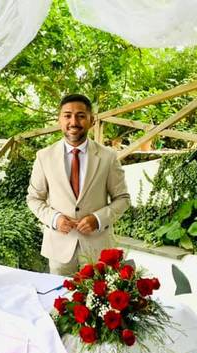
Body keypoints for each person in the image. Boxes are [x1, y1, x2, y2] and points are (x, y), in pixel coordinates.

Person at [27, 94, 130, 276]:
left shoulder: (108, 157)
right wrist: (54, 218)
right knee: (61, 301)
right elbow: (34, 199)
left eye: (81, 116)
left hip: (99, 250)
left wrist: (98, 219)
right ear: (59, 120)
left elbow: (122, 199)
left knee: (98, 302)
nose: (73, 122)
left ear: (91, 120)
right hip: (59, 250)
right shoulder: (44, 156)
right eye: (67, 115)